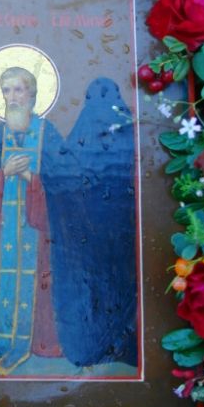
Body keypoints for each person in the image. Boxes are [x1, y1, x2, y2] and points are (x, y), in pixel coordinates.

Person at [0, 66, 61, 373]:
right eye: (6, 90)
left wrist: (31, 179)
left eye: (18, 89)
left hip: (38, 236)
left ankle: (31, 340)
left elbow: (68, 187)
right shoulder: (0, 134)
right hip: (4, 232)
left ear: (32, 93)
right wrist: (3, 174)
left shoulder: (48, 133)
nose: (12, 97)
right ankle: (2, 338)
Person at [42, 77, 138, 367]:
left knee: (96, 287)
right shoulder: (127, 129)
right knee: (116, 285)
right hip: (117, 234)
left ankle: (94, 346)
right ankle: (114, 342)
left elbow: (60, 177)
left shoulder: (81, 132)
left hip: (90, 239)